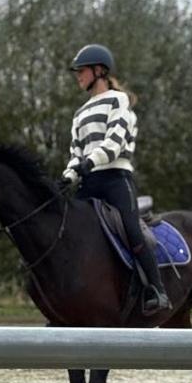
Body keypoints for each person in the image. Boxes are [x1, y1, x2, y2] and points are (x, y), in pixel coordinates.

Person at [61, 43, 172, 315]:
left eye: (82, 71)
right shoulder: (79, 114)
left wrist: (89, 162)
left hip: (115, 179)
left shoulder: (117, 100)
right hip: (88, 181)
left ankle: (156, 290)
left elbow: (114, 142)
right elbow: (76, 151)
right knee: (67, 230)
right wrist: (68, 174)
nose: (78, 76)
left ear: (99, 71)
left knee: (132, 229)